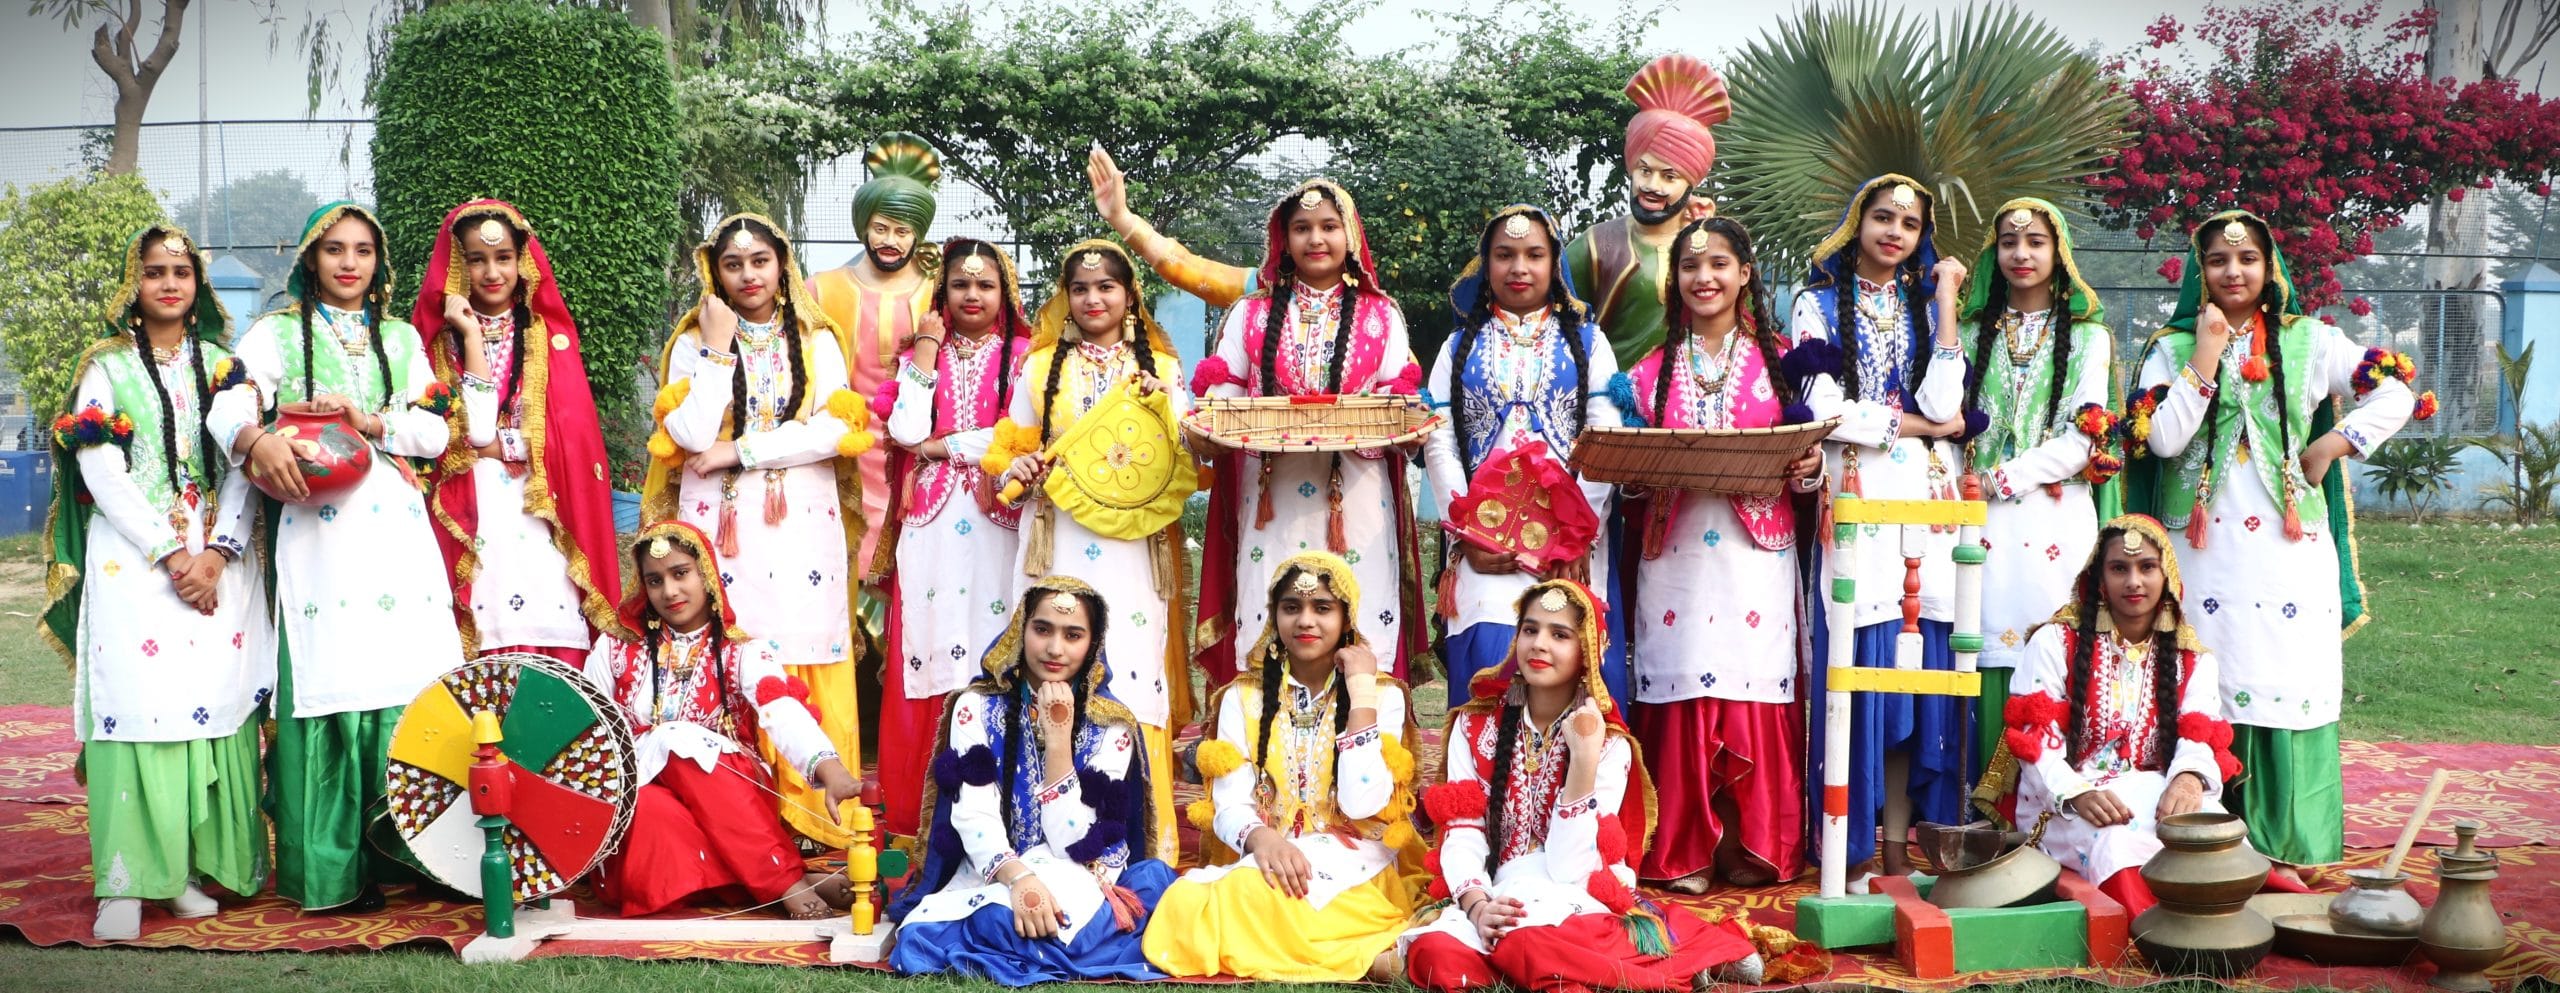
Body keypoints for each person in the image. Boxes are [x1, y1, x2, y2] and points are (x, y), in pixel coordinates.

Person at [2125, 209, 2417, 871]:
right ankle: (2197, 840)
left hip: (2288, 553)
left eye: (2247, 258)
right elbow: (2163, 440)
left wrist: (2334, 444)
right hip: (2200, 552)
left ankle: (2288, 845)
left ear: (2269, 267)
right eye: (2218, 260)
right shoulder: (2170, 348)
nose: (2233, 271)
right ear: (2200, 271)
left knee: (2283, 674)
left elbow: (2397, 392)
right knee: (2205, 674)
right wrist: (2205, 353)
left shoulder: (2310, 340)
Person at [205, 202, 465, 911]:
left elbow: (435, 433)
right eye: (334, 249)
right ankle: (333, 872)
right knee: (332, 677)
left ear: (379, 263)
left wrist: (371, 421)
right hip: (316, 535)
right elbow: (227, 405)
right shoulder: (274, 333)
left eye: (363, 250)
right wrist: (257, 440)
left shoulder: (401, 339)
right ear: (310, 260)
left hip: (395, 530)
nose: (350, 263)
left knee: (408, 675)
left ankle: (417, 857)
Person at [45, 225, 271, 939]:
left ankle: (187, 873)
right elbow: (100, 469)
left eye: (181, 271)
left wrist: (220, 552)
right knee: (139, 702)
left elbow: (244, 467)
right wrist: (172, 553)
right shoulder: (106, 367)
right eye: (154, 271)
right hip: (134, 557)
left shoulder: (226, 366)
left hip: (218, 559)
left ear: (197, 284)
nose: (169, 283)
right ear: (132, 283)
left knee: (208, 697)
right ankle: (126, 881)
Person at [1404, 579, 1765, 993]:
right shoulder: (1473, 726)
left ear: (1588, 652)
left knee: (1526, 942)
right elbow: (1462, 833)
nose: (1539, 644)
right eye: (1530, 629)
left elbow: (1571, 868)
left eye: (1559, 635)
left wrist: (1584, 763)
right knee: (1435, 954)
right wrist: (1477, 906)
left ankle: (1664, 963)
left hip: (1572, 891)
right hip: (1497, 892)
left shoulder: (1609, 744)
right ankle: (1612, 963)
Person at [644, 213, 872, 849]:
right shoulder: (694, 341)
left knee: (806, 640)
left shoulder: (817, 338)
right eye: (733, 264)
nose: (749, 275)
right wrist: (719, 351)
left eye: (760, 261)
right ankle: (741, 815)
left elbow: (837, 429)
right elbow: (691, 435)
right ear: (714, 272)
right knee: (735, 643)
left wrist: (741, 451)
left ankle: (811, 815)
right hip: (722, 525)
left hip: (801, 523)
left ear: (782, 264)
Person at [1614, 218, 1817, 891]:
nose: (1704, 277)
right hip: (1675, 555)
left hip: (1755, 555)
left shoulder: (1786, 363)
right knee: (1683, 678)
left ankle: (1752, 845)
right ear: (1673, 280)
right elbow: (1626, 477)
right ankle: (1686, 851)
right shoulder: (1644, 374)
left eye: (1719, 264)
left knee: (1750, 676)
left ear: (1745, 274)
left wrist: (1811, 467)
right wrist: (1633, 472)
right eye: (1690, 266)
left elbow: (1811, 466)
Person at [1784, 175, 1972, 882]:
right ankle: (1853, 847)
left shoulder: (1924, 305)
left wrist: (1945, 302)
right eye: (1884, 217)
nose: (1895, 232)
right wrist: (1922, 426)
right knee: (1859, 679)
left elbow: (1948, 403)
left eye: (1910, 224)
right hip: (1857, 496)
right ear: (1856, 223)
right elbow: (1826, 409)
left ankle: (1900, 845)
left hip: (1927, 502)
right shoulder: (1814, 302)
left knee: (1917, 677)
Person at [994, 239, 1195, 863]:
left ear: (1129, 295)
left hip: (1135, 546)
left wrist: (1165, 409)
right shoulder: (1038, 366)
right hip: (1060, 537)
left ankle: (1146, 842)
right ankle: (1040, 835)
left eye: (1106, 286)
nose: (1093, 298)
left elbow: (1187, 453)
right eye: (1080, 288)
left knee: (1132, 667)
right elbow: (1009, 448)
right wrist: (1017, 464)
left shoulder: (1162, 370)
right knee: (1055, 659)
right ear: (1066, 297)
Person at [1188, 179, 1428, 687]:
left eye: (1328, 226)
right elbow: (1224, 393)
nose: (1315, 239)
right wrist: (1206, 426)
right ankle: (1262, 714)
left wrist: (1409, 428)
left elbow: (1398, 396)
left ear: (1350, 236)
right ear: (1284, 239)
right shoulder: (1251, 313)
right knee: (1271, 594)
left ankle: (1364, 710)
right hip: (1271, 493)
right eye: (1302, 228)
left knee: (1361, 598)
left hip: (1358, 493)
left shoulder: (1381, 313)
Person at [1143, 553, 1423, 982]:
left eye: (1322, 608)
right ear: (1275, 617)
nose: (1305, 620)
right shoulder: (1242, 697)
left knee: (1245, 901)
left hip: (1354, 862)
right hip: (1268, 857)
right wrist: (1263, 839)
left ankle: (1358, 952)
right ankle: (1365, 957)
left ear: (1346, 617)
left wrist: (1361, 693)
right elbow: (1229, 804)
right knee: (1185, 903)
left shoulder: (1381, 695)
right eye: (1292, 607)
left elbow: (1362, 802)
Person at [886, 576, 1173, 983]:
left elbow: (1073, 841)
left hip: (1076, 871)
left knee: (1044, 919)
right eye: (1042, 629)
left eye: (1072, 635)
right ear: (1021, 631)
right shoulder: (975, 707)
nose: (1055, 648)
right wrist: (1020, 879)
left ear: (1092, 643)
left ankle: (1041, 939)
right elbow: (974, 815)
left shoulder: (1112, 727)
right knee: (962, 925)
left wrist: (1058, 742)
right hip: (995, 869)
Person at [583, 521, 860, 918]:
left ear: (707, 575)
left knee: (676, 740)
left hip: (732, 789)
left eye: (681, 573)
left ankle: (784, 881)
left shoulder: (742, 651)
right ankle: (783, 878)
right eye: (655, 580)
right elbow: (587, 727)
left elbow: (782, 709)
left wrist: (830, 770)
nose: (670, 591)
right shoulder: (613, 649)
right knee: (649, 815)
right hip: (642, 788)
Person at [1426, 205, 1627, 711]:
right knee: (1488, 674)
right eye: (1505, 255)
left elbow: (1605, 438)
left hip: (1571, 548)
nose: (1519, 268)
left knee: (1571, 681)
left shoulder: (1590, 343)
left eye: (1534, 255)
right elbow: (1439, 441)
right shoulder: (1456, 347)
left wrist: (1577, 538)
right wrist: (1467, 536)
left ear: (1554, 264)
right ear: (1486, 264)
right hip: (1485, 549)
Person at [1952, 199, 2122, 780]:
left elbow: (2084, 439)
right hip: (1978, 523)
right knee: (1977, 648)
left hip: (2055, 519)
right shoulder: (1967, 332)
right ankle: (1975, 800)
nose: (2021, 254)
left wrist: (1999, 479)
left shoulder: (2090, 338)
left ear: (2060, 253)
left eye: (2035, 242)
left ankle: (2053, 802)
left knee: (2053, 649)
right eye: (2008, 242)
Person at [412, 200, 620, 666]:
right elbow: (456, 435)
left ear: (522, 260)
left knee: (549, 619)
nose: (492, 272)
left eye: (503, 257)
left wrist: (498, 445)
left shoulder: (549, 337)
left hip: (541, 511)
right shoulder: (433, 342)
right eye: (476, 259)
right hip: (469, 507)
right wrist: (469, 335)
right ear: (456, 265)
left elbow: (571, 437)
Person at [874, 237, 1035, 839]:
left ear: (1004, 293)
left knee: (996, 643)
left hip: (1001, 519)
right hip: (931, 525)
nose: (973, 294)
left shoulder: (1025, 356)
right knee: (931, 646)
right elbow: (906, 429)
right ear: (942, 291)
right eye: (960, 283)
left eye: (985, 284)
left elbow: (1020, 434)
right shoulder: (922, 353)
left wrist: (943, 447)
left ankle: (1002, 810)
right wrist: (926, 346)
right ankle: (920, 816)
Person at [2003, 515, 2244, 917]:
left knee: (2216, 833)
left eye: (2147, 567)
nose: (2134, 581)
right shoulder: (2054, 642)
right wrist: (2077, 794)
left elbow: (2199, 735)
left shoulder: (2193, 658)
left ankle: (2232, 924)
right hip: (2063, 801)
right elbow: (2035, 742)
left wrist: (2187, 779)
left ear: (2167, 576)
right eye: (2119, 568)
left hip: (2155, 789)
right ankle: (2151, 932)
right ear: (2099, 579)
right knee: (2116, 840)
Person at [812, 132, 944, 593]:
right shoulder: (821, 289)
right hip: (838, 457)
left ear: (918, 235)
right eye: (881, 228)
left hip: (917, 458)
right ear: (863, 228)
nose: (890, 241)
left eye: (902, 231)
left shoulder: (940, 294)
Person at [1565, 54, 1730, 369]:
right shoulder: (1597, 244)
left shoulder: (1715, 247)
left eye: (1669, 177)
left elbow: (1744, 326)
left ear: (1690, 182)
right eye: (1644, 171)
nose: (1652, 186)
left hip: (1694, 394)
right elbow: (1555, 321)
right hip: (1612, 394)